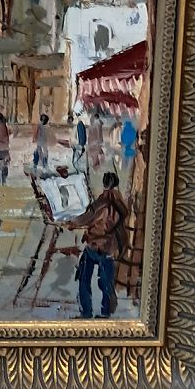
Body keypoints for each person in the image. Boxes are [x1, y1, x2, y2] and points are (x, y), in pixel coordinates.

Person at [67, 170, 130, 319]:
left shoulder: (102, 202)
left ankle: (86, 312)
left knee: (84, 279)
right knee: (106, 282)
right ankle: (105, 313)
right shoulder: (120, 202)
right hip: (111, 248)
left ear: (104, 184)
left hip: (95, 246)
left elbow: (87, 218)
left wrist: (72, 223)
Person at [72, 105, 88, 172]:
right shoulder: (80, 124)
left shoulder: (80, 124)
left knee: (76, 161)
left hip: (80, 145)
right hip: (80, 144)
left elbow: (81, 136)